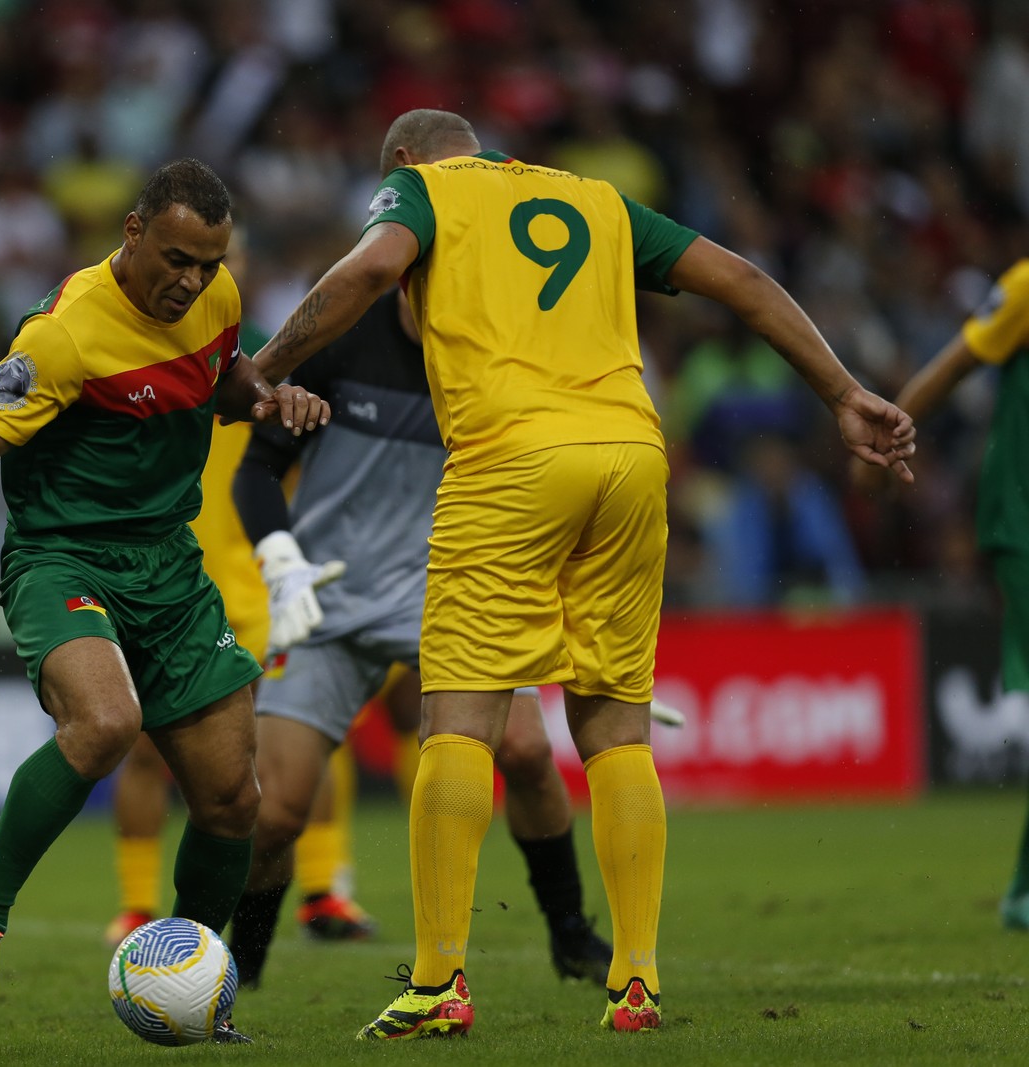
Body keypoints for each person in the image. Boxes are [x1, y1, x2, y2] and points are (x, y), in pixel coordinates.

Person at [249, 109, 916, 1038]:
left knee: (461, 719)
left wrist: (263, 367)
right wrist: (843, 392)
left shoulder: (424, 189)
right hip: (633, 457)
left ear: (400, 161)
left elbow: (368, 268)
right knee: (614, 725)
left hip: (511, 460)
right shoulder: (595, 199)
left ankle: (440, 981)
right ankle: (633, 980)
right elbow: (746, 280)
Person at [0, 159, 330, 1045]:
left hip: (170, 567)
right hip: (64, 560)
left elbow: (226, 377)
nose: (191, 281)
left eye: (208, 264)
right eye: (176, 257)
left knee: (232, 800)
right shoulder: (62, 337)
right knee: (105, 724)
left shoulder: (214, 302)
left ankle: (192, 974)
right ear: (132, 231)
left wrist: (267, 395)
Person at [225, 288, 613, 990]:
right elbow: (255, 471)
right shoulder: (339, 338)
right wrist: (281, 562)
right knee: (277, 811)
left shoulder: (499, 350)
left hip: (451, 594)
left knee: (525, 748)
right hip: (328, 600)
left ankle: (570, 933)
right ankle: (238, 970)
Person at [103, 233, 372, 949]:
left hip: (262, 582)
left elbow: (314, 470)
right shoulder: (132, 350)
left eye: (225, 262)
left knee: (302, 737)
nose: (211, 275)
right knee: (144, 748)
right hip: (168, 582)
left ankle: (322, 889)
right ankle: (135, 905)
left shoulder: (272, 365)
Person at [867, 257, 1028, 929]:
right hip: (1023, 519)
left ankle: (1023, 890)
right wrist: (886, 433)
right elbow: (954, 364)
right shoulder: (1025, 287)